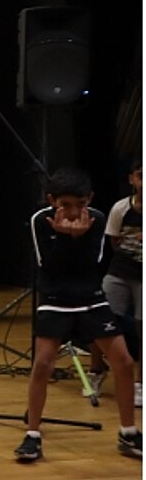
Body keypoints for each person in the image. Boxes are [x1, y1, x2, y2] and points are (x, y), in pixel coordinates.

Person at [15, 168, 142, 462]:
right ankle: (33, 433)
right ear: (52, 200)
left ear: (90, 199)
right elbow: (48, 266)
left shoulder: (96, 219)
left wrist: (78, 238)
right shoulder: (40, 221)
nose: (74, 211)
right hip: (55, 296)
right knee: (44, 363)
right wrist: (64, 238)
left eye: (80, 204)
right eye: (67, 205)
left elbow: (92, 263)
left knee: (123, 361)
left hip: (89, 296)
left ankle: (128, 432)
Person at [98, 159, 142, 406]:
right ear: (132, 179)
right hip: (120, 271)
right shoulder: (120, 208)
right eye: (141, 176)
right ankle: (96, 370)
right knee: (102, 318)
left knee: (141, 326)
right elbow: (113, 242)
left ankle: (140, 382)